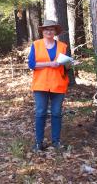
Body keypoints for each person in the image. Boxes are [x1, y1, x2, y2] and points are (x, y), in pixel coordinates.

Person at [27, 20, 72, 151]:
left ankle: (56, 142)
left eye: (51, 29)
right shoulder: (36, 45)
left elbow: (68, 66)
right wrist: (49, 64)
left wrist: (70, 63)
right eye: (46, 29)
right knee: (40, 113)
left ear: (55, 32)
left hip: (58, 84)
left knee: (57, 113)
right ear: (42, 31)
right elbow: (31, 64)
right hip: (41, 85)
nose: (49, 31)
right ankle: (38, 143)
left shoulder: (63, 46)